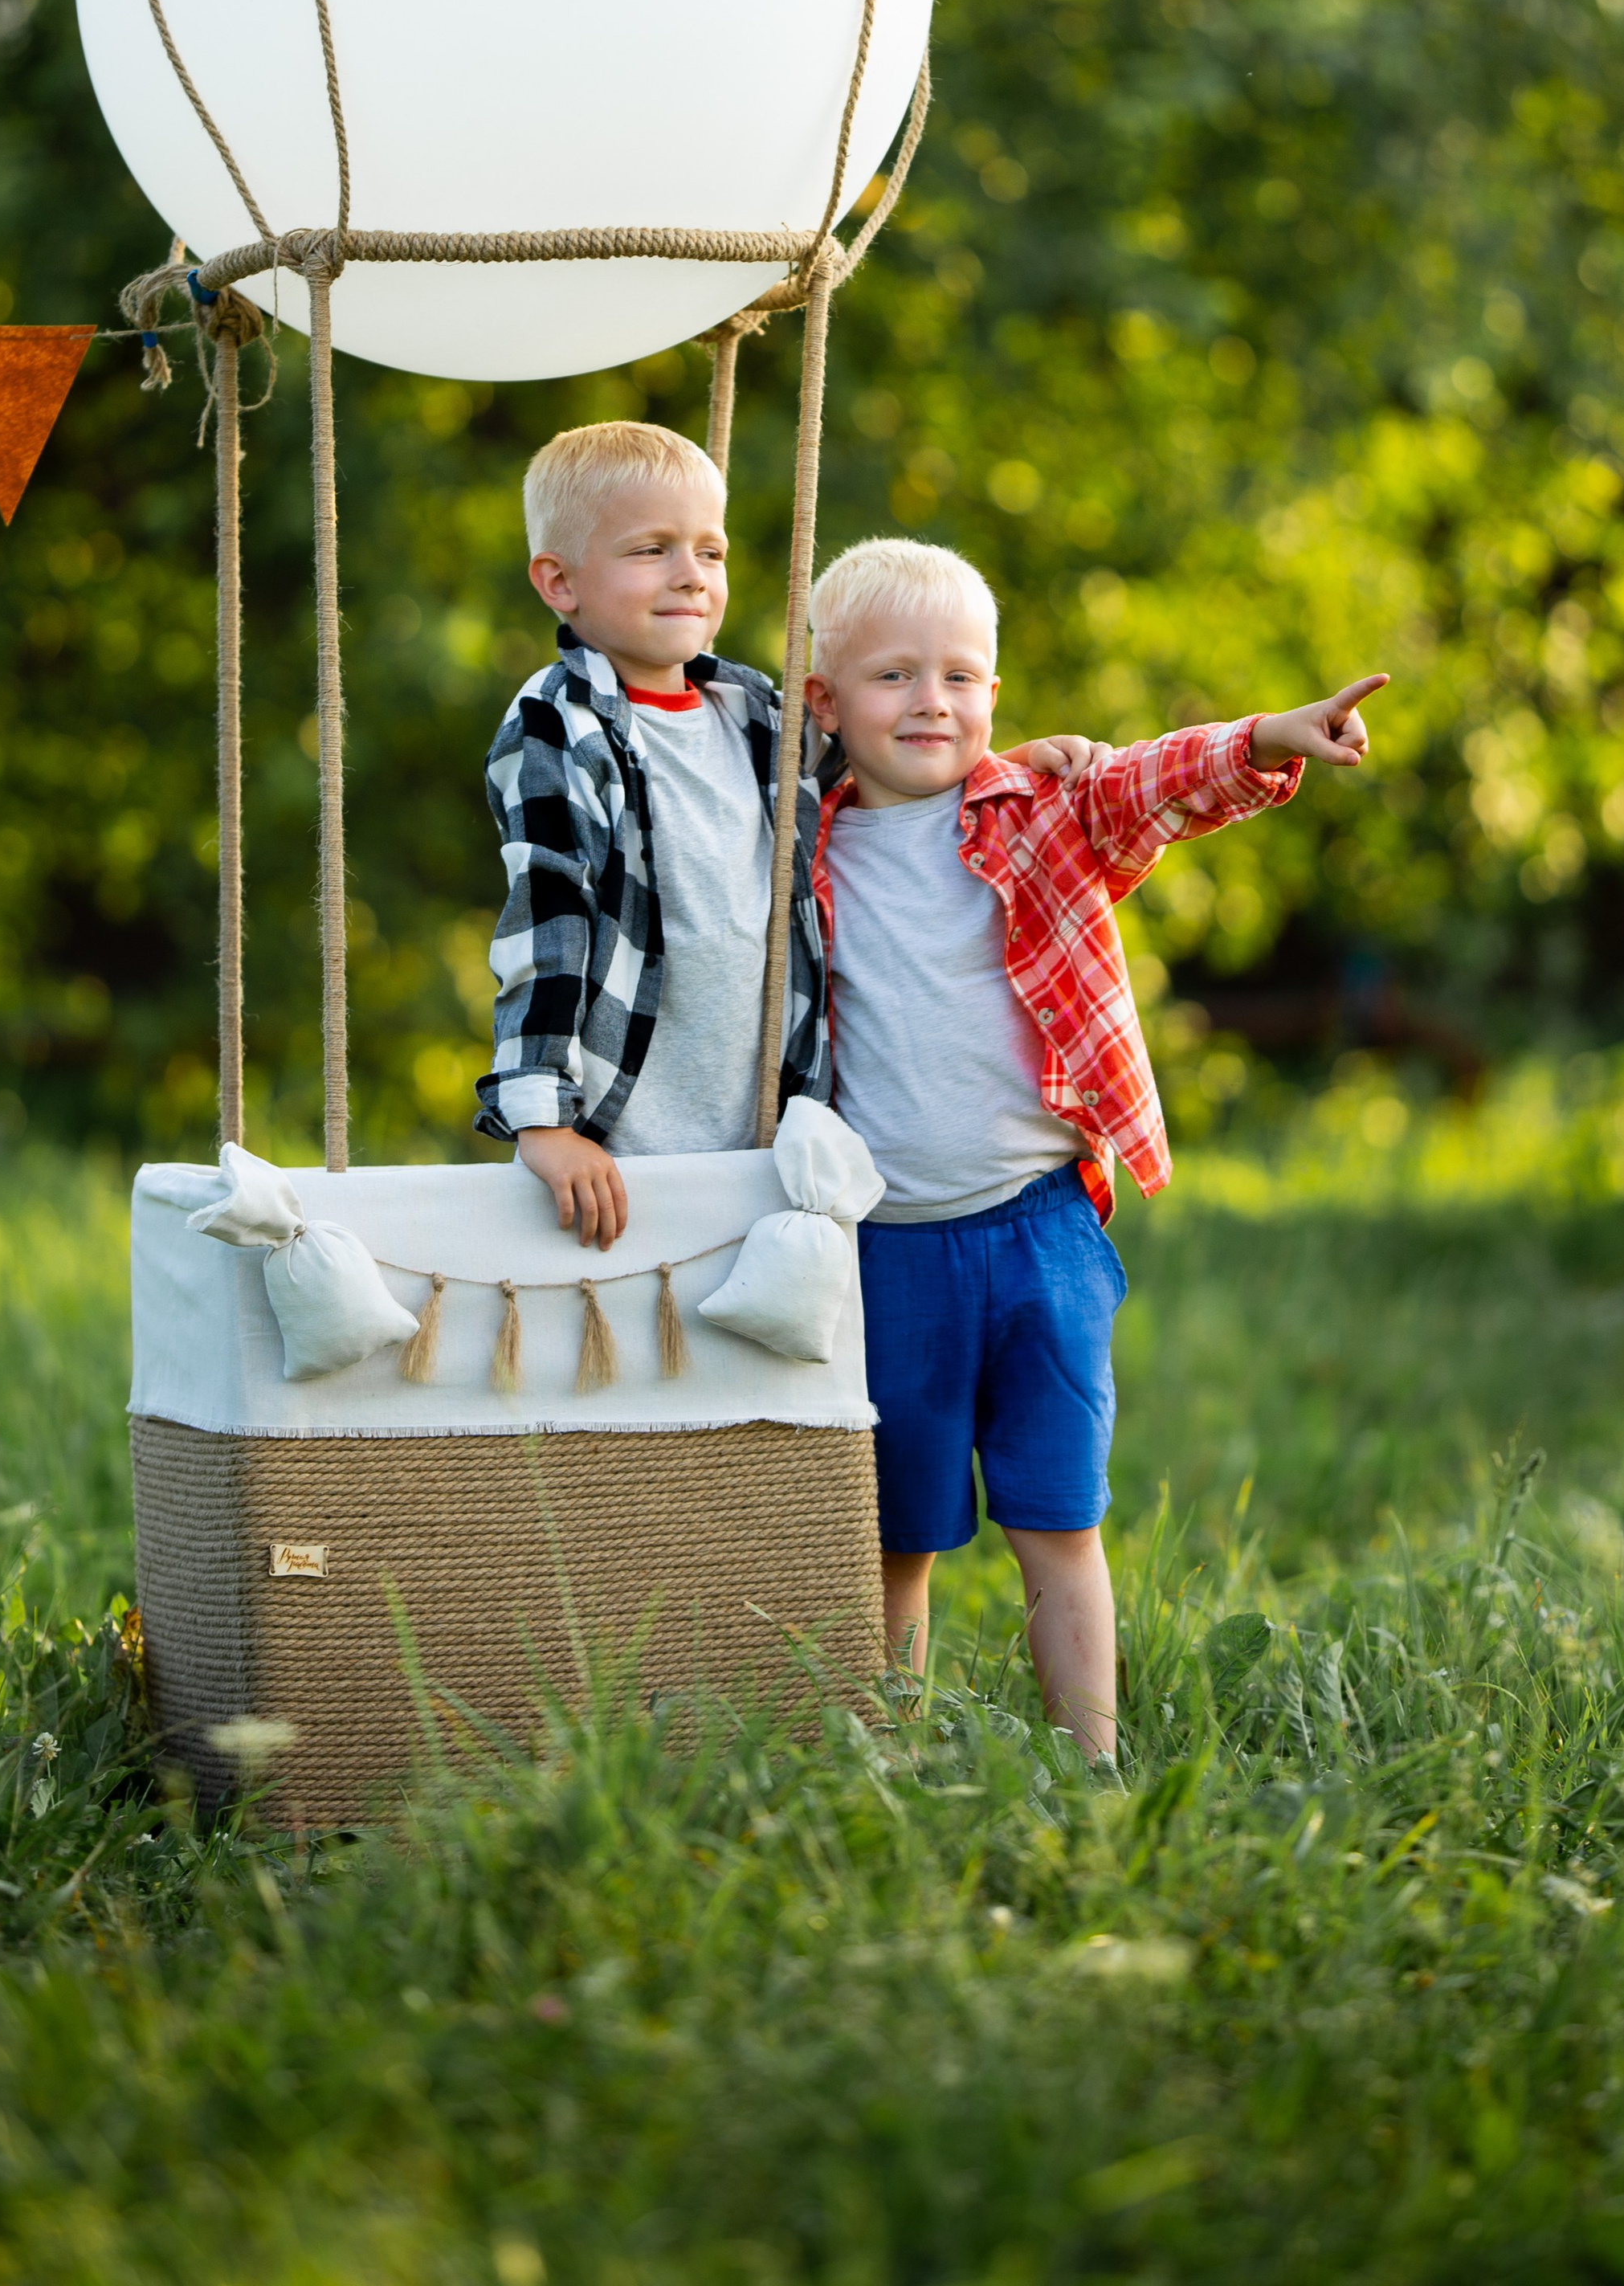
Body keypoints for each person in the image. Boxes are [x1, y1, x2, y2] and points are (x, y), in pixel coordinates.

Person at [803, 534, 1387, 1762]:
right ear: (825, 703)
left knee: (1057, 1517)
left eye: (961, 678)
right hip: (884, 1249)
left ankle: (1092, 1764)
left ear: (996, 698)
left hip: (1038, 1228)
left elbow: (1150, 784)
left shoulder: (1036, 814)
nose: (933, 703)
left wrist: (1272, 737)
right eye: (895, 677)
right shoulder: (798, 848)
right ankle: (884, 1757)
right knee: (893, 1535)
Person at [474, 422, 1104, 1243]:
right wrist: (541, 1120)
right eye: (651, 550)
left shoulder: (750, 712)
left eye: (710, 551)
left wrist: (993, 765)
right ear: (559, 582)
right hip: (625, 1121)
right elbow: (547, 917)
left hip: (767, 1125)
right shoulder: (557, 730)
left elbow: (876, 771)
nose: (689, 577)